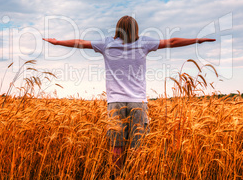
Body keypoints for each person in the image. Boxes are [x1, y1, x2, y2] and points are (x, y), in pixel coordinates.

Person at [42, 15, 215, 173]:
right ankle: (134, 174)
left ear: (117, 29)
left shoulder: (107, 43)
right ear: (136, 29)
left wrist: (57, 42)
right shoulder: (144, 43)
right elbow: (173, 41)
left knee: (116, 146)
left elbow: (80, 42)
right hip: (138, 102)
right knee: (137, 146)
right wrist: (197, 40)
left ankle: (118, 175)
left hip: (115, 102)